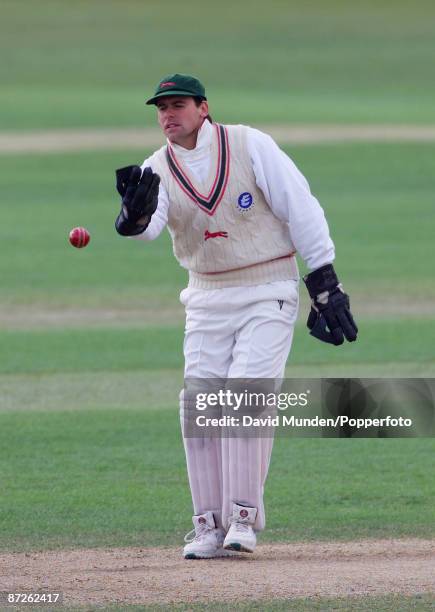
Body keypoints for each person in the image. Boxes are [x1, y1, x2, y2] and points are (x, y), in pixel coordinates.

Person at [114, 73, 357, 559]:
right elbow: (148, 229)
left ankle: (243, 517)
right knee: (201, 405)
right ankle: (207, 526)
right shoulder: (156, 166)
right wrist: (132, 218)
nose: (168, 114)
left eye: (178, 104)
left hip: (268, 286)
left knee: (245, 395)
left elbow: (300, 206)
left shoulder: (249, 145)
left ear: (203, 108)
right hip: (205, 296)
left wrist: (325, 280)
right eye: (161, 108)